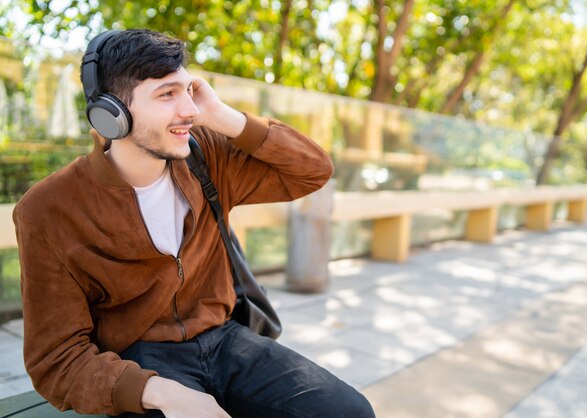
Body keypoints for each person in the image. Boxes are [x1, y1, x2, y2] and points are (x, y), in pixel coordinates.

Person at [13, 29, 375, 418]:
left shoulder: (204, 154)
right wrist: (158, 392)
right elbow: (56, 359)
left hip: (226, 337)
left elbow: (313, 170)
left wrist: (224, 116)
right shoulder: (48, 210)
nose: (189, 109)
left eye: (188, 90)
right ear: (111, 112)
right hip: (139, 357)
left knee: (351, 411)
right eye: (167, 94)